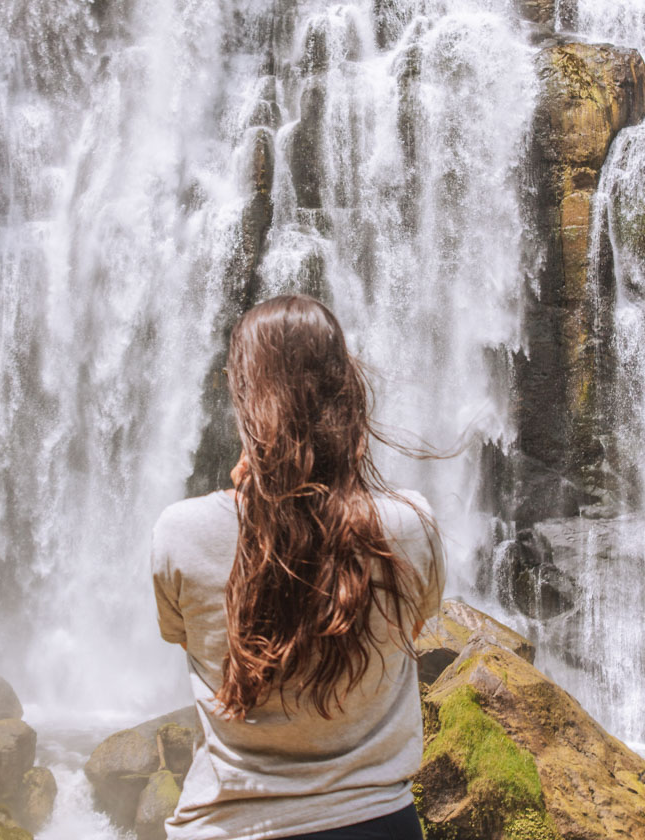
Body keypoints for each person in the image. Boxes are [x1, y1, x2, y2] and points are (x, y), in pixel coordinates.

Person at [151, 294, 445, 840]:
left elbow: (188, 637)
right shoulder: (411, 525)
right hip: (376, 823)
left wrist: (256, 488)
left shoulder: (181, 531)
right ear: (346, 387)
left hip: (229, 825)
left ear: (241, 394)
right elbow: (414, 629)